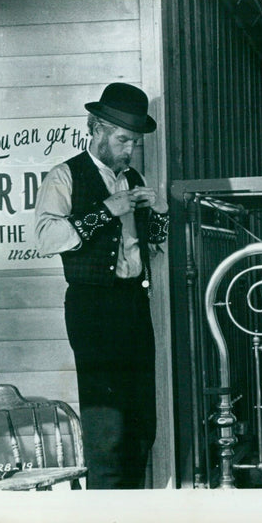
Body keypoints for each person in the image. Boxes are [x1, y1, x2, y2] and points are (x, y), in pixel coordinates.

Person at [35, 83, 169, 489]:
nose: (130, 150)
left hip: (133, 306)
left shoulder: (133, 177)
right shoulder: (65, 175)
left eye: (135, 142)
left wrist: (158, 210)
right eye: (123, 139)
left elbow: (156, 242)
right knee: (107, 430)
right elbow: (46, 238)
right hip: (92, 309)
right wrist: (106, 211)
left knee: (141, 426)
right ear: (96, 128)